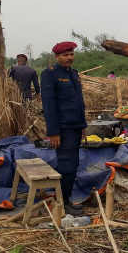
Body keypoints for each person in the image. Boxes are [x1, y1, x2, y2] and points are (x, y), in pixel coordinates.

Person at [40, 41, 86, 216]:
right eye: (65, 55)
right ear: (57, 57)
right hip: (62, 129)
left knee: (73, 165)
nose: (69, 58)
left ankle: (64, 199)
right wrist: (53, 132)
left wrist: (83, 126)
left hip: (75, 127)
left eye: (71, 54)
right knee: (66, 166)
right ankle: (62, 202)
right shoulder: (49, 75)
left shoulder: (73, 74)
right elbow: (49, 105)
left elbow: (79, 102)